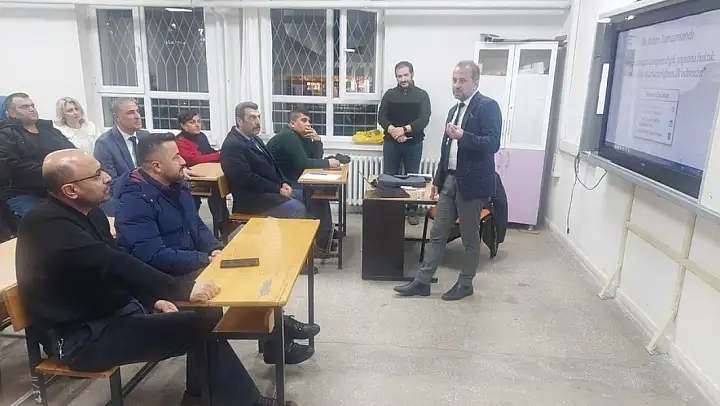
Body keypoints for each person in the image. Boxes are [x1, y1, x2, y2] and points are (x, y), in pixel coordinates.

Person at [16, 148, 295, 406]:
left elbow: (113, 267)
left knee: (204, 317)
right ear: (70, 190)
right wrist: (179, 289)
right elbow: (113, 264)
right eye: (97, 175)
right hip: (80, 339)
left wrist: (153, 299)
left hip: (112, 315)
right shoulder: (46, 224)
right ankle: (242, 402)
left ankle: (199, 396)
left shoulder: (90, 214)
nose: (108, 177)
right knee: (199, 325)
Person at [114, 133, 318, 364]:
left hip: (186, 261)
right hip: (163, 276)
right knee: (241, 278)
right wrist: (204, 259)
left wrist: (214, 248)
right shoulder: (134, 202)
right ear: (156, 166)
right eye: (176, 157)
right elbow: (152, 255)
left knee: (253, 265)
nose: (183, 161)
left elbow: (197, 225)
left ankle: (276, 334)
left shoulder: (176, 186)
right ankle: (276, 337)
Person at [393, 60, 502, 301]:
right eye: (454, 80)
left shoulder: (488, 106)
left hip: (472, 184)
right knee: (437, 233)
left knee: (470, 237)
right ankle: (422, 281)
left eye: (462, 80)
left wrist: (464, 135)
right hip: (449, 180)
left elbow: (493, 143)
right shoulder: (454, 110)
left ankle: (465, 283)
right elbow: (446, 150)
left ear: (475, 82)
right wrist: (437, 180)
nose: (456, 85)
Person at [266, 107, 340, 254]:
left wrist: (317, 140)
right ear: (292, 124)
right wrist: (328, 163)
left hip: (294, 178)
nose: (308, 124)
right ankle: (320, 241)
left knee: (320, 194)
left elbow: (314, 158)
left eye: (309, 121)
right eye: (303, 120)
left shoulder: (300, 136)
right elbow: (304, 163)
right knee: (315, 195)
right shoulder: (288, 136)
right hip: (282, 183)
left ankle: (325, 234)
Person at [221, 102, 306, 220]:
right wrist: (278, 189)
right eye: (252, 117)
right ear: (239, 121)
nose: (257, 122)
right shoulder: (233, 145)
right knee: (297, 208)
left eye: (258, 117)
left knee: (310, 197)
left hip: (270, 191)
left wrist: (284, 183)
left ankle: (321, 231)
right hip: (253, 200)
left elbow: (273, 165)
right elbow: (247, 179)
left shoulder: (254, 138)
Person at [0, 92, 75, 216]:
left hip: (59, 188)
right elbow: (12, 168)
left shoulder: (50, 130)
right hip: (25, 193)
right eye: (24, 107)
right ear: (11, 113)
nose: (32, 109)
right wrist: (52, 169)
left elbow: (72, 151)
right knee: (45, 219)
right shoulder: (6, 135)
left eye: (32, 105)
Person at [378, 61, 432, 225]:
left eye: (405, 75)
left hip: (413, 144)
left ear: (412, 74)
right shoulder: (389, 95)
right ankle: (390, 210)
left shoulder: (422, 95)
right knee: (389, 177)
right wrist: (393, 131)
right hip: (391, 143)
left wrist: (404, 130)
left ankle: (412, 211)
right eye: (399, 76)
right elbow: (381, 117)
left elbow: (424, 119)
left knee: (413, 178)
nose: (403, 79)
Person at [94, 98, 150, 215]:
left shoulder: (146, 136)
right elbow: (110, 183)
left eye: (137, 111)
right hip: (122, 198)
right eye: (130, 113)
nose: (137, 116)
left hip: (150, 195)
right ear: (117, 118)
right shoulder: (105, 143)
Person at [174, 110, 228, 229]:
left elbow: (208, 152)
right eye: (192, 122)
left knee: (219, 192)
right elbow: (194, 160)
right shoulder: (180, 141)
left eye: (198, 121)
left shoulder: (202, 136)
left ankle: (223, 225)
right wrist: (218, 155)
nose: (197, 125)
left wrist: (221, 154)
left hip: (207, 176)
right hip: (190, 180)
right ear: (183, 125)